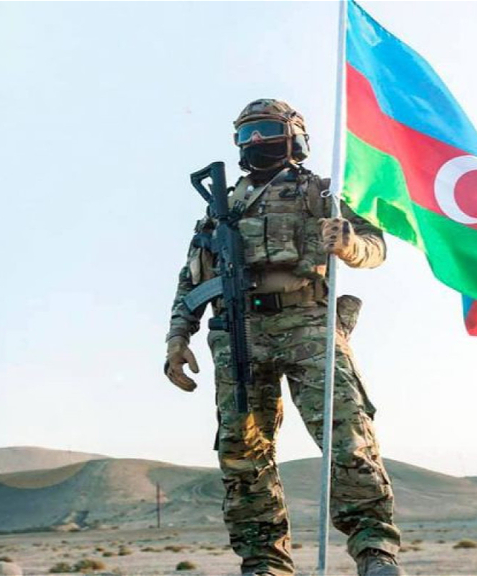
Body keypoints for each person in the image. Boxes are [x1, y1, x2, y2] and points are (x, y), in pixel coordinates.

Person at [164, 99, 404, 576]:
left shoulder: (322, 192)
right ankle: (264, 561)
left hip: (308, 324)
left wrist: (349, 244)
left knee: (347, 436)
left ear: (294, 136)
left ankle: (374, 549)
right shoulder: (221, 207)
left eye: (266, 130)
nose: (256, 142)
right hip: (238, 334)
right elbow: (191, 278)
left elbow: (375, 246)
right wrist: (177, 337)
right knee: (242, 453)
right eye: (246, 134)